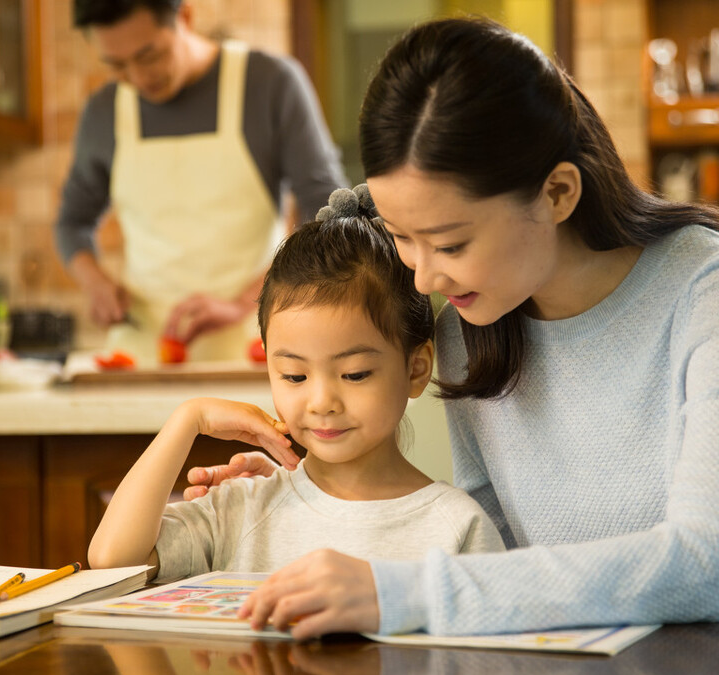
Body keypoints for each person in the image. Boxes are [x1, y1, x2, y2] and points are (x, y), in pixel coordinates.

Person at [181, 16, 719, 639]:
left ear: (557, 192)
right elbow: (491, 548)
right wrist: (310, 495)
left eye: (449, 241)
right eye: (403, 239)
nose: (422, 279)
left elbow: (708, 565)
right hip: (586, 671)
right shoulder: (471, 318)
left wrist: (402, 593)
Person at [87, 185, 505, 580]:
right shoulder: (245, 505)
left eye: (355, 374)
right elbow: (111, 559)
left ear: (416, 369)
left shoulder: (457, 527)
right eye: (294, 376)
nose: (321, 401)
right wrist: (187, 419)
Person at [55, 0, 346, 363]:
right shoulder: (104, 111)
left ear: (185, 17)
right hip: (145, 351)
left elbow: (327, 210)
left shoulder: (270, 83)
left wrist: (245, 301)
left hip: (258, 342)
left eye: (149, 55)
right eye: (116, 65)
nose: (137, 79)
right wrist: (95, 281)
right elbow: (72, 222)